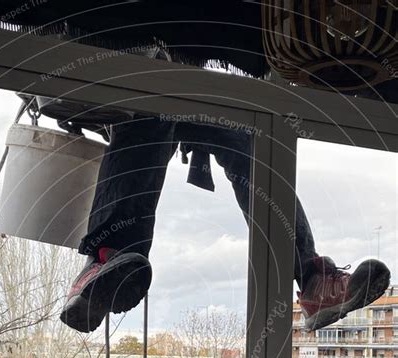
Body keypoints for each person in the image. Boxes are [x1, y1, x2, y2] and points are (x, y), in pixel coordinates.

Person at [60, 51, 390, 334]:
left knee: (246, 143)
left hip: (188, 72)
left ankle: (312, 279)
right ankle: (105, 262)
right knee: (153, 108)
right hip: (142, 65)